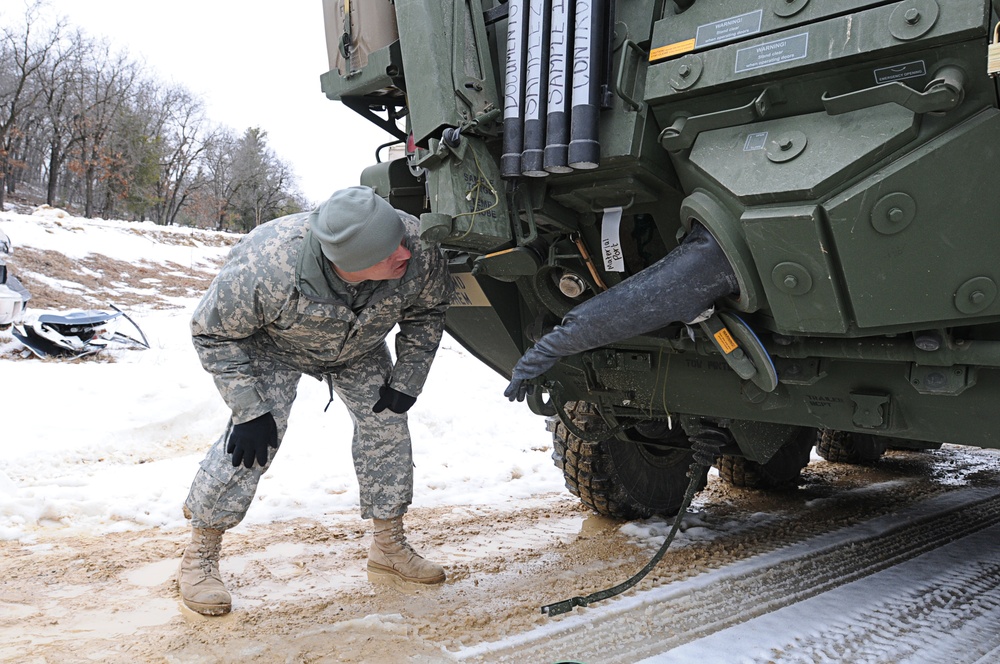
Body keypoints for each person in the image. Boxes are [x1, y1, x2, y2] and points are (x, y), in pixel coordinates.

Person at [178, 186, 453, 616]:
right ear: (350, 264)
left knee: (386, 425)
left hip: (357, 347)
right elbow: (211, 333)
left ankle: (389, 546)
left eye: (399, 239)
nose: (404, 253)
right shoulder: (266, 265)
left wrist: (407, 379)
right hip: (272, 345)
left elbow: (428, 311)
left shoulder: (415, 247)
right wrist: (249, 410)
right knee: (252, 443)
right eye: (388, 252)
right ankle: (200, 556)